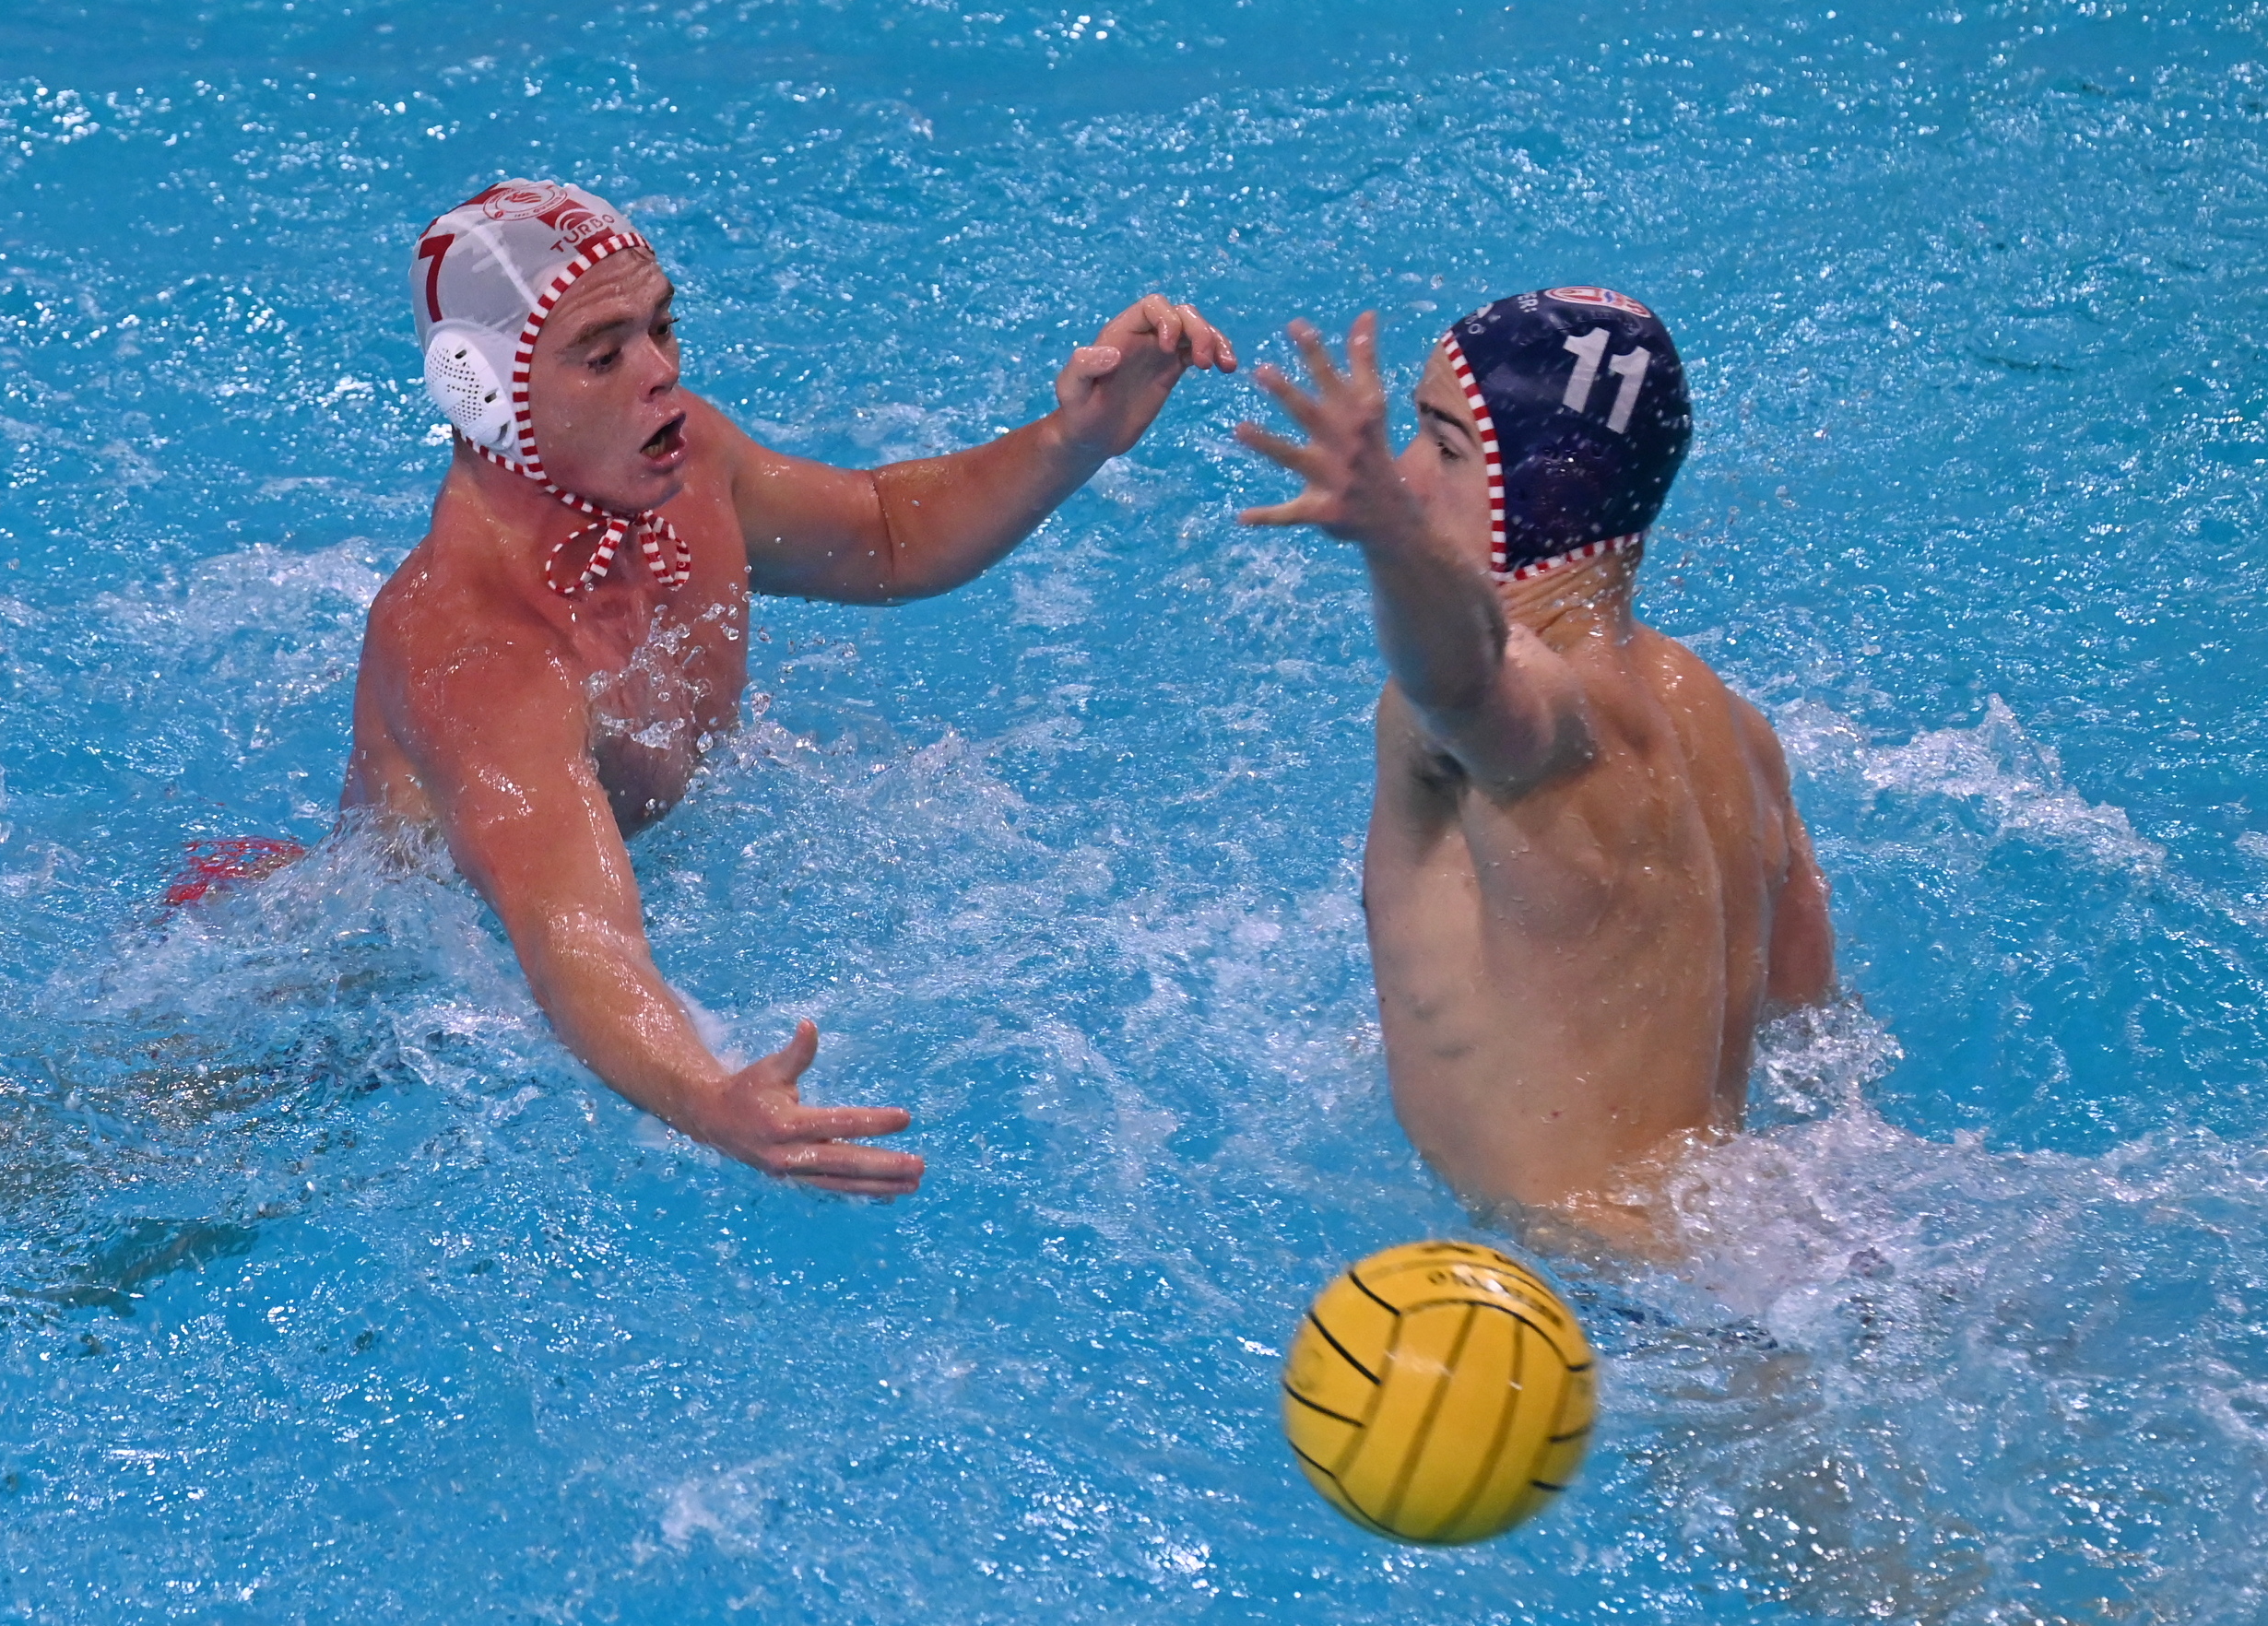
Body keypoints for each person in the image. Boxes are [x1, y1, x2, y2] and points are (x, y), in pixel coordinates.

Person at [344, 180, 1234, 1197]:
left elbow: (884, 533)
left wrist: (1072, 440)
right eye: (603, 354)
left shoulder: (682, 465)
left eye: (661, 327)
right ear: (481, 393)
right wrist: (707, 1096)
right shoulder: (476, 650)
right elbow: (571, 938)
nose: (662, 373)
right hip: (384, 1017)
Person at [1234, 289, 1833, 1243]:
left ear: (1544, 492)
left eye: (1444, 447)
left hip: (1585, 1285)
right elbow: (1814, 1033)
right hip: (1748, 1248)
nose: (1406, 474)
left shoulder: (1537, 713)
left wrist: (1393, 539)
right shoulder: (1730, 723)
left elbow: (1466, 683)